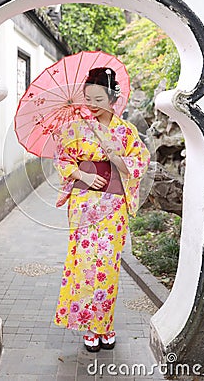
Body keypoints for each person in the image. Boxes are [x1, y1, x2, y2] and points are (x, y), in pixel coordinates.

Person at [53, 67, 150, 352]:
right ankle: (87, 326)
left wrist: (115, 156)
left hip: (113, 204)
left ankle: (104, 325)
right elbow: (62, 160)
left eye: (98, 99)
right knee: (84, 266)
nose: (92, 106)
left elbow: (139, 162)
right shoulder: (74, 129)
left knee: (107, 266)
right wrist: (82, 175)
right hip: (83, 203)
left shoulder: (126, 131)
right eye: (88, 99)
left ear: (112, 99)